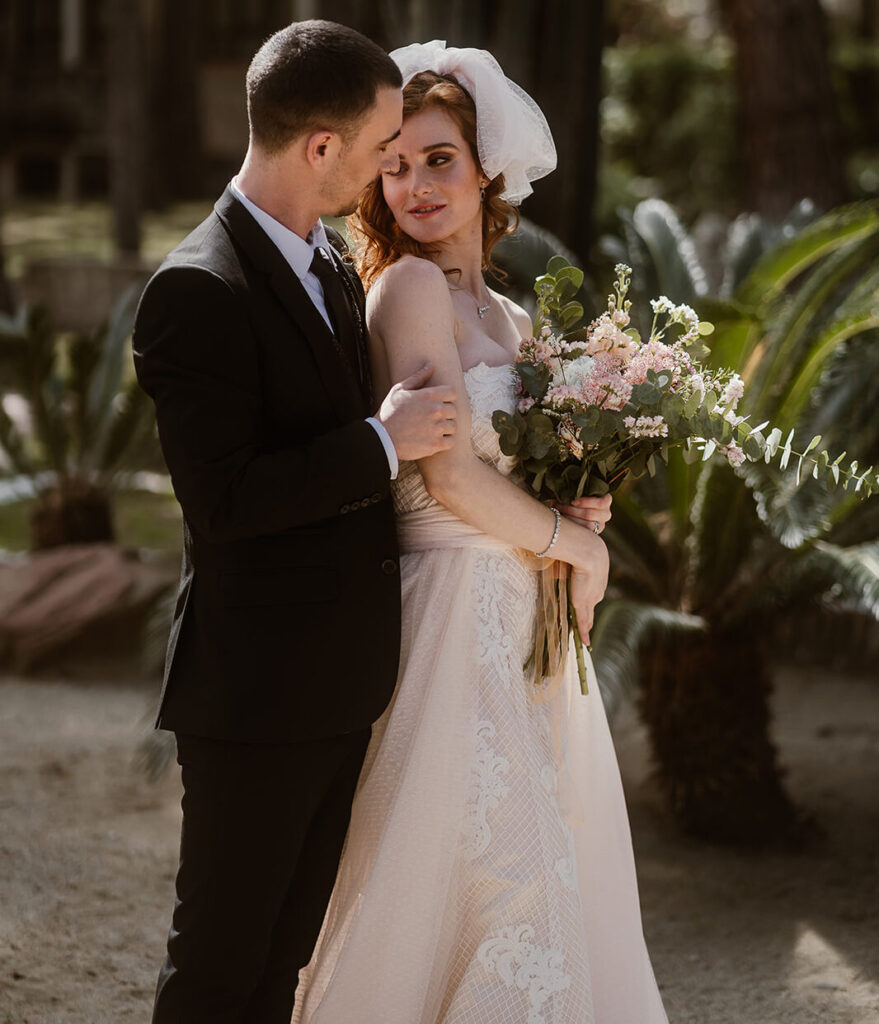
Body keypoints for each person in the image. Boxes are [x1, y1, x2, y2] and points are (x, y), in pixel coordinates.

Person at [292, 42, 669, 1024]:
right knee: (511, 873)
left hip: (528, 625)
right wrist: (577, 547)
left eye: (440, 159)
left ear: (485, 166)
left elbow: (529, 466)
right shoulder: (408, 290)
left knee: (544, 870)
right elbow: (451, 473)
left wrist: (586, 499)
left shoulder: (506, 314)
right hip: (450, 617)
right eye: (397, 163)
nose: (416, 184)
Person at [133, 22, 463, 1024]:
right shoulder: (196, 289)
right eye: (377, 150)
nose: (384, 172)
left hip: (338, 683)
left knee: (280, 970)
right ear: (321, 147)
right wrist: (382, 441)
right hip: (253, 698)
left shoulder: (324, 263)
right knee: (218, 971)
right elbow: (226, 502)